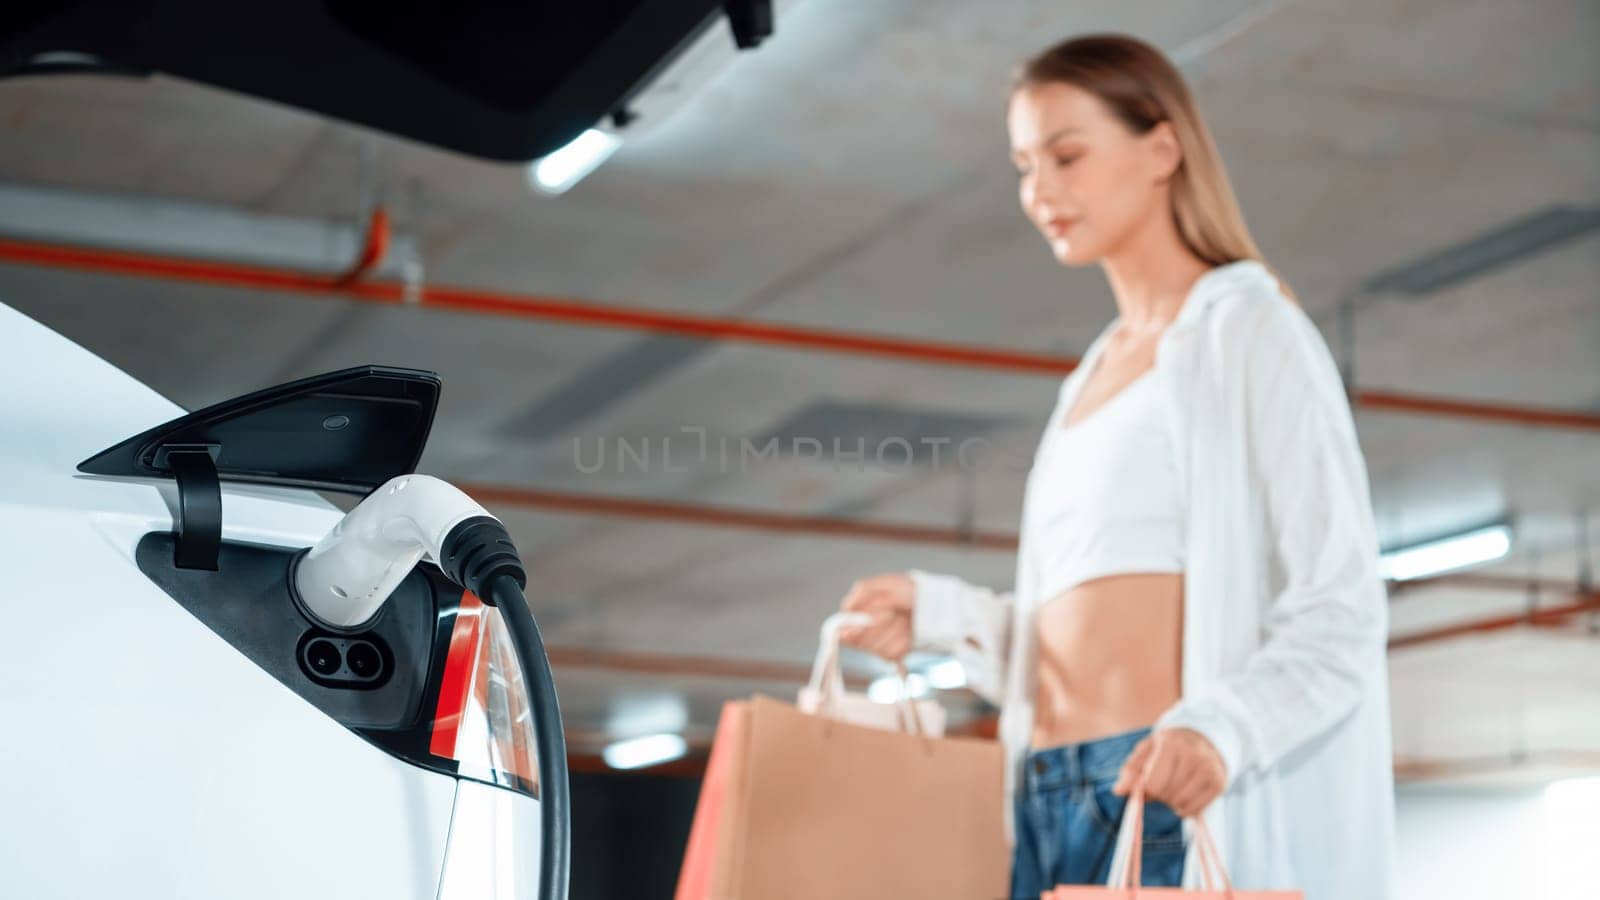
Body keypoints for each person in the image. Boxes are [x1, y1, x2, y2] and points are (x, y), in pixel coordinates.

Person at [836, 33, 1394, 900]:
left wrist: (1221, 733)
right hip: (1046, 791)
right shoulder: (1088, 380)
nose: (1040, 191)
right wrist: (940, 611)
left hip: (1162, 786)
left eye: (1066, 155)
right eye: (1025, 166)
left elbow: (1342, 605)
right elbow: (1076, 624)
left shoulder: (1250, 330)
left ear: (1162, 148)